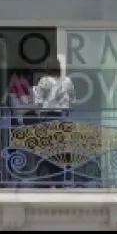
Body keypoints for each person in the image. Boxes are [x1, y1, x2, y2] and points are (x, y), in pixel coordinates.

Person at [33, 58, 76, 188]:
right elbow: (73, 99)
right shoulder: (67, 81)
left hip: (48, 117)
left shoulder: (44, 81)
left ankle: (46, 181)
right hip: (64, 117)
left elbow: (38, 101)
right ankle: (62, 181)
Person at [33, 58, 75, 122]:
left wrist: (38, 113)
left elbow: (39, 100)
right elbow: (72, 98)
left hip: (47, 112)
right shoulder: (67, 80)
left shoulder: (44, 81)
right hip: (62, 112)